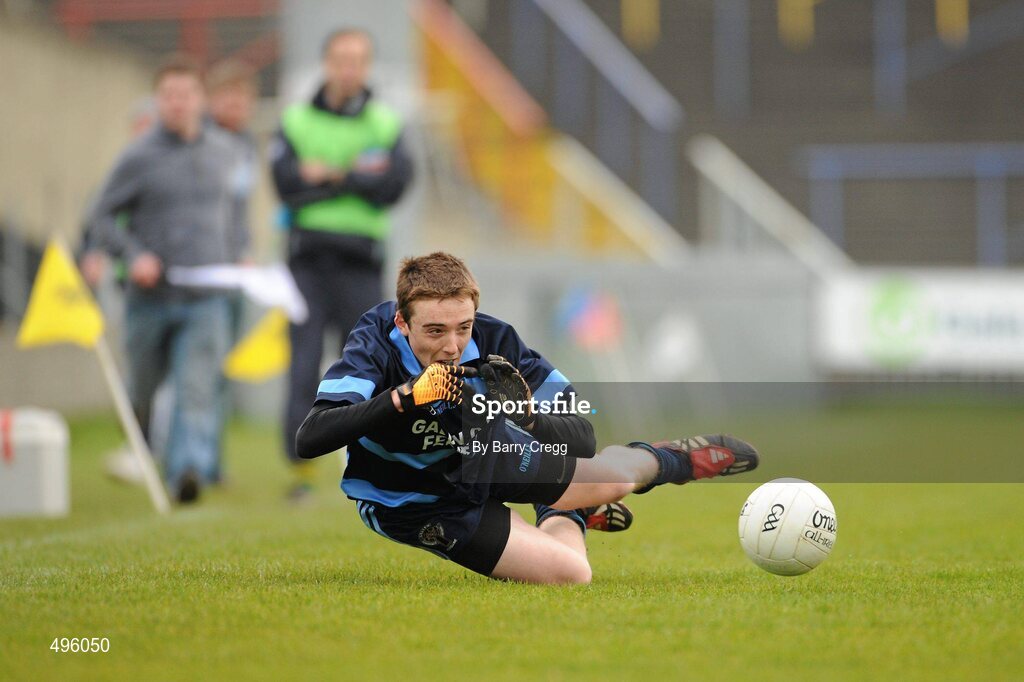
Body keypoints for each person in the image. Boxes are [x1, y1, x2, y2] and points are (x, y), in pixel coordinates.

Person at [295, 253, 760, 584]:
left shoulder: (498, 341)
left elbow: (581, 433)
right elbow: (312, 436)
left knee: (616, 479)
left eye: (463, 327)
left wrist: (529, 418)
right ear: (402, 322)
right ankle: (563, 510)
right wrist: (403, 398)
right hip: (411, 499)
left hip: (489, 457)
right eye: (434, 331)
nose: (452, 346)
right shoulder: (374, 342)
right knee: (572, 574)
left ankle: (667, 460)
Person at [90, 54, 250, 503]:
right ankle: (141, 444)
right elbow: (100, 217)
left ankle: (187, 472)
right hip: (149, 297)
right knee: (141, 390)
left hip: (206, 299)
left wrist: (241, 252)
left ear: (201, 99)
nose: (178, 104)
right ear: (159, 101)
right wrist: (133, 255)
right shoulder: (137, 157)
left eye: (186, 95)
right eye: (169, 96)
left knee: (196, 389)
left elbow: (233, 213)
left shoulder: (224, 153)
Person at [272, 28, 414, 501]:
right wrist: (355, 178)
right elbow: (286, 182)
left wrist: (329, 176)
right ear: (326, 63)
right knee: (304, 361)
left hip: (360, 261)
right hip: (307, 261)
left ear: (367, 66)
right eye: (340, 59)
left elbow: (393, 186)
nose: (348, 69)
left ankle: (375, 462)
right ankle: (300, 473)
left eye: (357, 60)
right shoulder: (295, 120)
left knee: (370, 364)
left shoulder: (385, 123)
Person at [206, 58, 260, 484]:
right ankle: (188, 456)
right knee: (198, 369)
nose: (235, 106)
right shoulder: (198, 143)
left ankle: (211, 460)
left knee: (222, 367)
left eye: (242, 99)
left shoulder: (247, 148)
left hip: (237, 270)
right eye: (227, 97)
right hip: (203, 271)